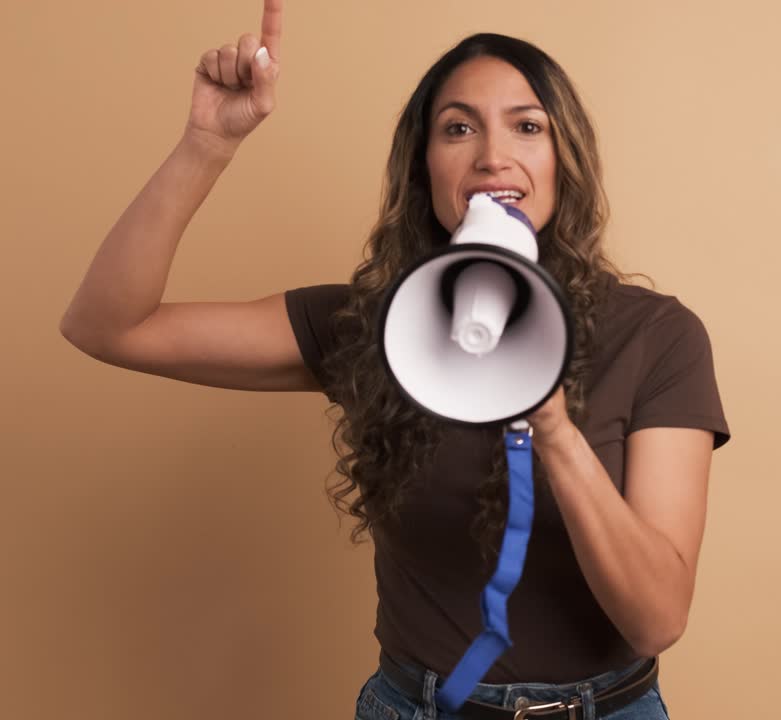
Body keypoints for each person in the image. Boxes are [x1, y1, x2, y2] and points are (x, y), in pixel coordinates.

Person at [59, 1, 729, 717]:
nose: (492, 156)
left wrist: (555, 427)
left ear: (565, 161)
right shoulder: (375, 323)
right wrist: (206, 142)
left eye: (527, 126)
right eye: (458, 128)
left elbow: (657, 620)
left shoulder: (657, 337)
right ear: (426, 168)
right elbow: (109, 326)